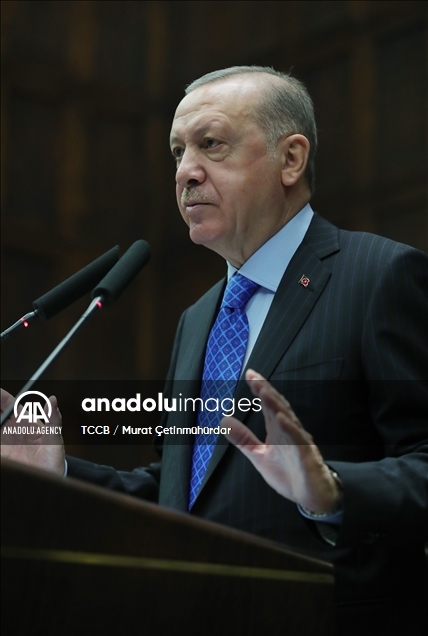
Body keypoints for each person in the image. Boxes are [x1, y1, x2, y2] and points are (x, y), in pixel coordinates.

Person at [1, 66, 427, 635]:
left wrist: (332, 491)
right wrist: (57, 472)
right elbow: (180, 494)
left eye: (211, 144)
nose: (186, 171)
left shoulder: (378, 276)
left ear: (291, 159)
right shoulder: (198, 319)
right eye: (178, 152)